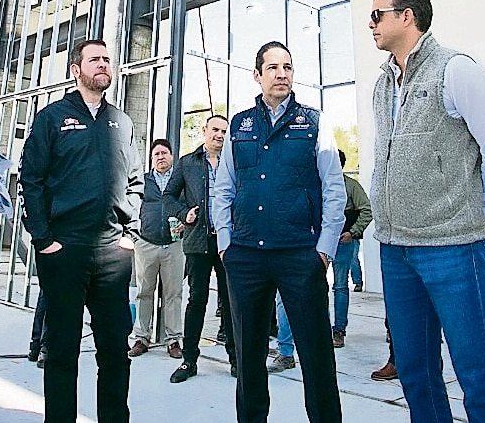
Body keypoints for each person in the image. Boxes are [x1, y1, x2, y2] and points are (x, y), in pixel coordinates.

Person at [366, 0, 485, 423]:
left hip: (451, 249)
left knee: (477, 368)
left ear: (407, 16)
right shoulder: (383, 85)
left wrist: (471, 213)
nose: (371, 23)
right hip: (396, 250)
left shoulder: (456, 70)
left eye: (378, 14)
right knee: (414, 370)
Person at [213, 40, 346, 423]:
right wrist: (225, 243)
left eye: (287, 66)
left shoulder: (314, 122)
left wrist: (323, 250)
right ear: (257, 75)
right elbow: (223, 186)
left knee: (316, 354)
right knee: (249, 354)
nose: (281, 74)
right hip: (245, 255)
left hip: (299, 255)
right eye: (272, 67)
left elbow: (333, 188)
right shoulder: (240, 124)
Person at [19, 39, 141, 423]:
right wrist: (43, 238)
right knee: (61, 350)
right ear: (76, 69)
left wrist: (129, 234)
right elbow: (31, 179)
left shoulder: (122, 121)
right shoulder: (52, 117)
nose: (103, 65)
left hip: (112, 252)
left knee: (113, 351)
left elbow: (136, 181)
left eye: (108, 60)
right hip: (64, 248)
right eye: (95, 59)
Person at [163, 113, 236, 383]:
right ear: (204, 131)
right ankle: (189, 360)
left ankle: (236, 360)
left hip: (228, 243)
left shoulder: (234, 161)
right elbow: (168, 196)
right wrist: (184, 214)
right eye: (215, 129)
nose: (219, 135)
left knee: (231, 302)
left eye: (224, 131)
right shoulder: (188, 163)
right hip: (198, 242)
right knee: (197, 300)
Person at [129, 138, 184, 359]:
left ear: (172, 156)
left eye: (164, 153)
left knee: (173, 294)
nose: (161, 157)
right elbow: (130, 208)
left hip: (174, 245)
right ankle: (141, 338)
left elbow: (191, 206)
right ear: (151, 159)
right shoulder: (142, 181)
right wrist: (135, 239)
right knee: (144, 293)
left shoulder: (181, 181)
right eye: (156, 154)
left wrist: (186, 221)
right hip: (146, 245)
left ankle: (173, 340)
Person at [331, 149, 371, 347]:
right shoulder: (317, 182)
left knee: (340, 286)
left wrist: (353, 232)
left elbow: (366, 209)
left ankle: (339, 329)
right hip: (319, 240)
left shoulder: (351, 186)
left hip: (341, 240)